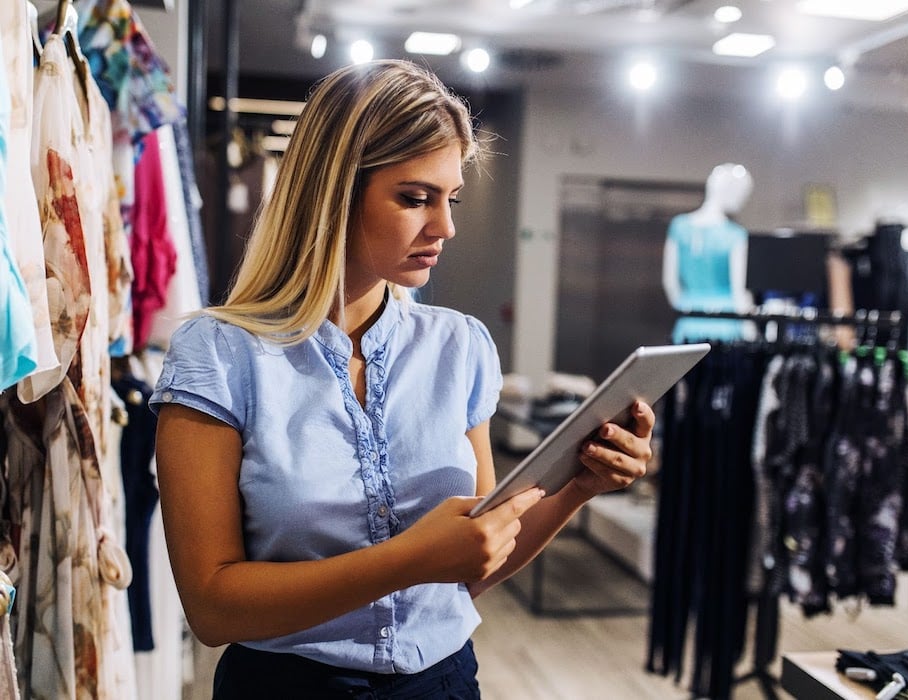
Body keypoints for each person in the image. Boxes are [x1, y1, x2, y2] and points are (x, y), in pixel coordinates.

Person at [149, 59, 654, 699]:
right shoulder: (219, 354)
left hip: (444, 682)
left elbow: (475, 559)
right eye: (415, 199)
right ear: (332, 191)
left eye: (451, 199)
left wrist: (578, 487)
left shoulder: (458, 345)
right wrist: (412, 558)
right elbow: (213, 606)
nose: (444, 227)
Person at [662, 162, 755, 343]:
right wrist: (751, 332)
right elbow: (739, 292)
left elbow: (670, 283)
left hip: (687, 323)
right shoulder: (736, 235)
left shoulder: (679, 226)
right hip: (725, 325)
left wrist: (685, 308)